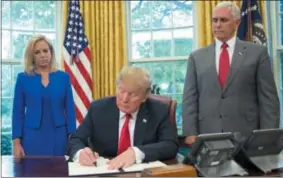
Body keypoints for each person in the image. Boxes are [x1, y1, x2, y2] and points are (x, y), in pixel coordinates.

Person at [182, 1, 280, 146]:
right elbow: (190, 99)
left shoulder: (257, 53)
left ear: (237, 22)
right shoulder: (197, 57)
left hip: (246, 135)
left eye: (223, 20)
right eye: (215, 20)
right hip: (208, 135)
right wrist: (190, 132)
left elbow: (268, 99)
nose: (218, 25)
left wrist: (268, 136)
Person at [67, 66, 178, 169]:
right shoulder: (98, 109)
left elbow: (170, 145)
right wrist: (80, 153)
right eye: (121, 90)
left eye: (132, 94)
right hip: (105, 171)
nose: (124, 99)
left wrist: (136, 152)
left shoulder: (159, 110)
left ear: (145, 96)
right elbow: (75, 139)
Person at [12, 35, 76, 157]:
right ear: (32, 56)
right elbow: (17, 113)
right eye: (37, 52)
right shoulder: (23, 78)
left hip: (59, 136)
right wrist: (16, 143)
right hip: (32, 137)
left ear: (51, 52)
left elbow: (70, 111)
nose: (42, 55)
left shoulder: (63, 78)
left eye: (45, 50)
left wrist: (72, 139)